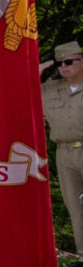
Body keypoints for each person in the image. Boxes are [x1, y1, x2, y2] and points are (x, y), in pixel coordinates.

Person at [47, 40, 82, 242]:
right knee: (73, 204)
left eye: (69, 62)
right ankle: (82, 254)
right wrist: (46, 66)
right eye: (59, 63)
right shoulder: (50, 90)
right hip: (64, 152)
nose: (64, 67)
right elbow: (21, 80)